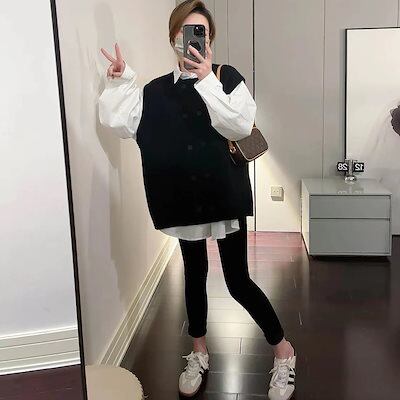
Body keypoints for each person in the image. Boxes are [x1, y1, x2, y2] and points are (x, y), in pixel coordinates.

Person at [98, 1, 296, 399]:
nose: (191, 39)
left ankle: (284, 351)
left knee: (238, 281)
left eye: (200, 31)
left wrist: (206, 79)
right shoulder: (155, 91)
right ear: (173, 37)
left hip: (223, 195)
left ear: (210, 39)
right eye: (184, 31)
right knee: (194, 274)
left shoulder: (226, 76)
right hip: (182, 199)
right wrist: (121, 82)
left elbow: (238, 123)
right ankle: (199, 351)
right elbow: (122, 124)